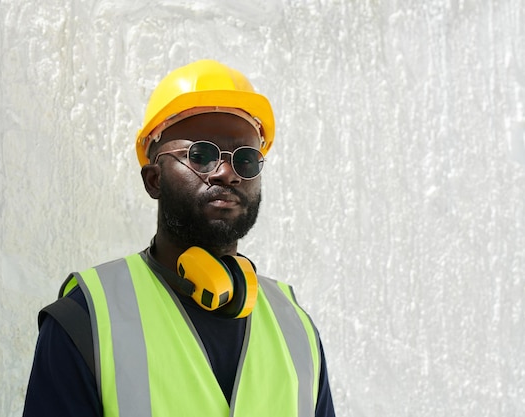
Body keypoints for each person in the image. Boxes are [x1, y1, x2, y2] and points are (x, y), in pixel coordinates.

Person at [22, 59, 336, 417]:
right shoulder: (87, 316)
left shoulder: (296, 329)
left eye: (246, 160)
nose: (226, 172)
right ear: (154, 179)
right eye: (201, 155)